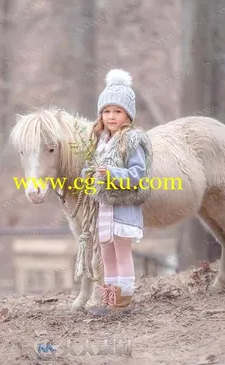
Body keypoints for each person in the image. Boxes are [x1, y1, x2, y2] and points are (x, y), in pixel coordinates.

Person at [80, 68, 153, 316]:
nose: (111, 116)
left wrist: (112, 174)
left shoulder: (132, 140)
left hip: (123, 208)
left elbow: (138, 175)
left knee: (122, 253)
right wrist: (89, 175)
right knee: (107, 255)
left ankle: (123, 303)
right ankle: (110, 301)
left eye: (117, 111)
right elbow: (90, 167)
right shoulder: (100, 141)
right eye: (107, 111)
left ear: (127, 114)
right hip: (105, 209)